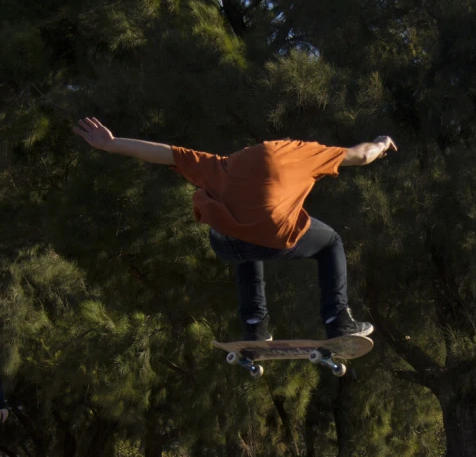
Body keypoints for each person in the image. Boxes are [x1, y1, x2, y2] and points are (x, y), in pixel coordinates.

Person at [73, 117, 397, 345]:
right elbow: (363, 154)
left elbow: (164, 152)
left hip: (226, 242)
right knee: (331, 243)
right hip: (277, 240)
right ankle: (337, 322)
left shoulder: (223, 163)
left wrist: (112, 144)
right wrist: (382, 143)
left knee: (240, 230)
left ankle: (255, 326)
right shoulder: (306, 153)